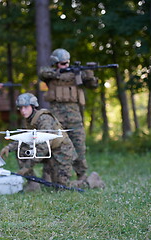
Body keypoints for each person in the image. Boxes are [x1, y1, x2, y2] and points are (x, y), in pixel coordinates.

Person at [39, 48, 99, 182]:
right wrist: (60, 74)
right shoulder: (51, 74)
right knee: (52, 147)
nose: (65, 66)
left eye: (67, 63)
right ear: (55, 63)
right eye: (62, 64)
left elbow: (93, 85)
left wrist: (89, 74)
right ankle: (49, 176)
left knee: (79, 148)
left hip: (74, 119)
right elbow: (42, 73)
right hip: (56, 119)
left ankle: (82, 176)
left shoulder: (76, 75)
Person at [0, 93, 78, 191]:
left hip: (61, 152)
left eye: (26, 107)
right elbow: (24, 138)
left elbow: (44, 146)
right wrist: (9, 147)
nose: (23, 111)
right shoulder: (28, 120)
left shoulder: (44, 119)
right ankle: (32, 184)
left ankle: (91, 182)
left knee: (62, 187)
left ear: (33, 106)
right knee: (22, 150)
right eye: (20, 108)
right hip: (49, 152)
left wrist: (27, 167)